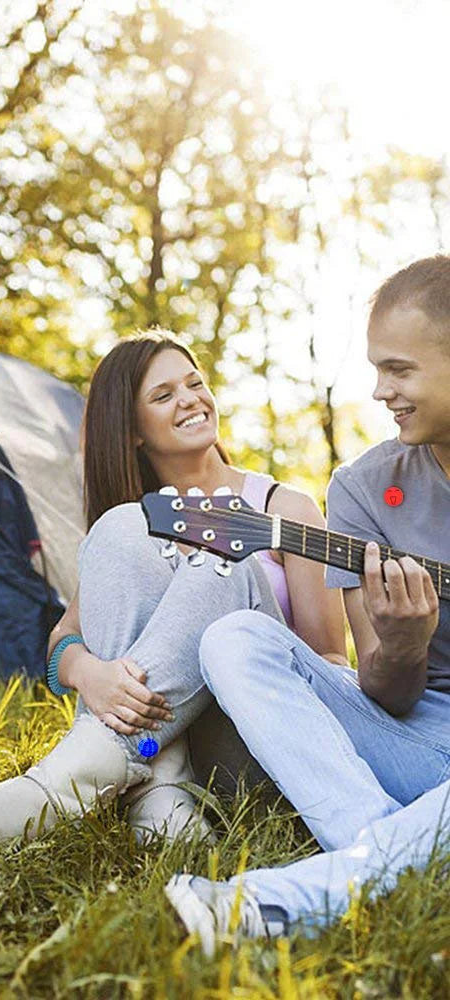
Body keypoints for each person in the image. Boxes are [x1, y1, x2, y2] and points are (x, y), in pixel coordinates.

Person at [0, 332, 346, 846]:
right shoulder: (129, 529)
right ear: (132, 431)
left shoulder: (286, 509)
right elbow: (60, 644)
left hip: (255, 751)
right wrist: (90, 673)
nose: (191, 399)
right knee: (120, 525)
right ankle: (160, 799)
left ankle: (62, 786)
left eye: (195, 384)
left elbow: (330, 658)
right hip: (171, 756)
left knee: (220, 560)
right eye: (164, 395)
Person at [166, 256, 450, 948]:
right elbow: (384, 692)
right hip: (422, 736)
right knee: (234, 638)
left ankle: (287, 900)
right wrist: (402, 644)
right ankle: (392, 846)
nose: (381, 390)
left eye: (400, 369)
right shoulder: (362, 488)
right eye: (377, 369)